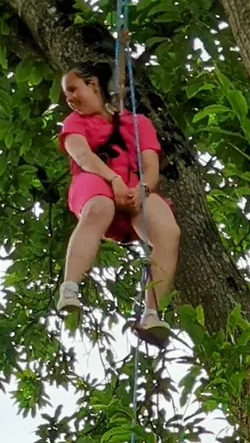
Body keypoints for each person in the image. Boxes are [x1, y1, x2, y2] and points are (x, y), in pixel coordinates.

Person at [55, 60, 180, 347]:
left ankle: (152, 314)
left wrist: (143, 188)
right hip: (96, 182)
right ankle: (70, 287)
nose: (69, 99)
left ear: (94, 85)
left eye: (72, 89)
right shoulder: (75, 123)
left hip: (134, 187)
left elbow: (150, 164)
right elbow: (83, 157)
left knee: (169, 233)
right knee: (99, 207)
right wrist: (114, 181)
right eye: (66, 95)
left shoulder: (137, 124)